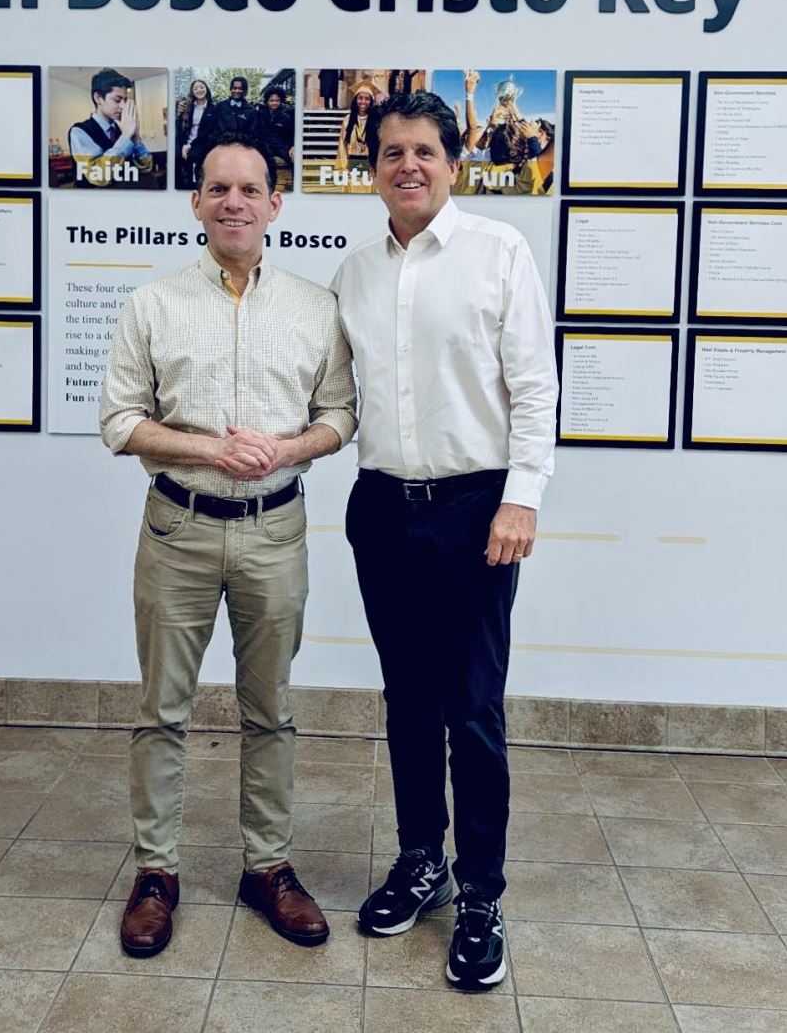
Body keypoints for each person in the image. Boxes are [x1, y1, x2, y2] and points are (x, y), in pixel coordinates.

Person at [100, 132, 357, 960]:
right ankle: (156, 873)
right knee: (161, 710)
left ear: (277, 203)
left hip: (275, 529)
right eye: (219, 189)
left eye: (250, 189)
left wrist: (285, 450)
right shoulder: (152, 305)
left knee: (270, 710)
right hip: (176, 528)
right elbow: (119, 422)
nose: (234, 202)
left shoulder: (316, 308)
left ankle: (268, 867)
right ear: (197, 202)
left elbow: (341, 415)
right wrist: (211, 449)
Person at [331, 91, 557, 991]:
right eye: (391, 152)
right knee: (408, 702)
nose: (408, 166)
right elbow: (338, 398)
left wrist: (521, 499)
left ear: (453, 163)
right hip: (384, 510)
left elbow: (534, 388)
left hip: (476, 511)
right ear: (373, 170)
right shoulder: (355, 271)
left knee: (473, 708)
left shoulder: (499, 252)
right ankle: (422, 859)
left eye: (425, 150)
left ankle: (482, 895)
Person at [69, 68, 157, 188]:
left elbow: (146, 167)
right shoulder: (79, 131)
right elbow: (98, 176)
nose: (122, 106)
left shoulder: (121, 130)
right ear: (98, 98)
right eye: (117, 100)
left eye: (124, 100)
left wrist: (135, 136)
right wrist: (126, 136)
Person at [175, 78, 217, 189]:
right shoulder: (187, 107)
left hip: (201, 144)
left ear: (206, 89)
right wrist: (184, 145)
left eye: (202, 87)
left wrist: (190, 145)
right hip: (185, 143)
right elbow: (180, 128)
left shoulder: (213, 109)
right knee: (176, 159)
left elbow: (207, 132)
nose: (199, 90)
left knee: (195, 167)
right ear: (192, 92)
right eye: (196, 88)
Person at [334, 80, 378, 169]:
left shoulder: (375, 120)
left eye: (367, 99)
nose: (363, 102)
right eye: (360, 98)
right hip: (351, 165)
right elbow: (342, 145)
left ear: (371, 102)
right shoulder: (348, 120)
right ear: (355, 100)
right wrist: (343, 168)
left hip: (370, 166)